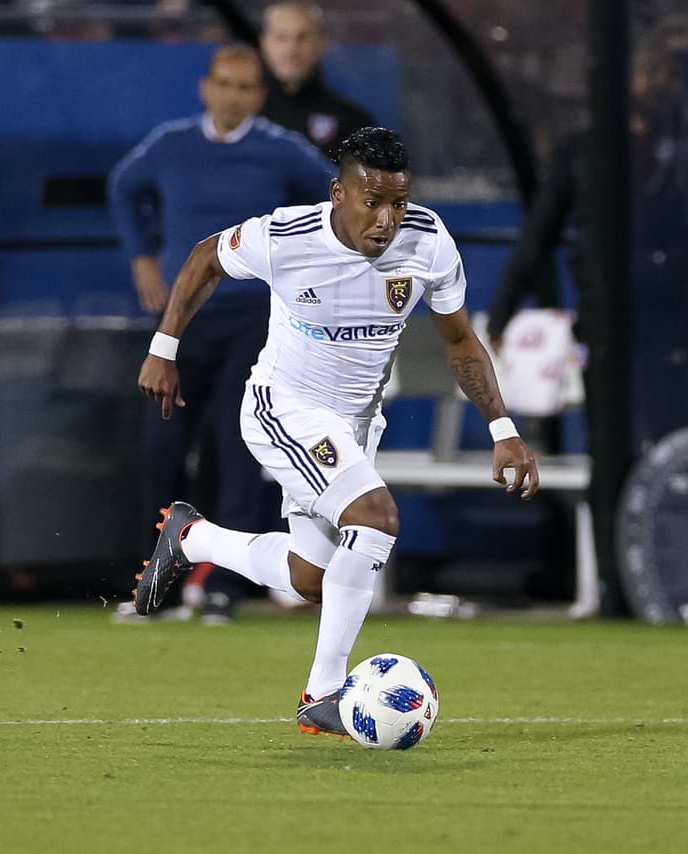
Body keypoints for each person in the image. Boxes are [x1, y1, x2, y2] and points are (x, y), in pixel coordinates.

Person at [133, 127, 539, 737]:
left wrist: (502, 428)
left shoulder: (427, 244)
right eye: (371, 201)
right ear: (338, 193)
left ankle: (192, 539)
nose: (386, 219)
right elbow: (204, 258)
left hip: (353, 425)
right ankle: (321, 694)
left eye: (398, 203)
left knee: (310, 579)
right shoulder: (287, 236)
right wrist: (165, 348)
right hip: (284, 407)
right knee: (375, 518)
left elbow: (459, 341)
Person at [485, 17, 688, 616]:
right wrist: (503, 311)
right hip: (603, 324)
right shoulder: (583, 151)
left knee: (667, 443)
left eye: (669, 74)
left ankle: (671, 579)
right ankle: (613, 582)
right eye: (649, 73)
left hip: (669, 314)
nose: (656, 85)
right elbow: (539, 233)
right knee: (606, 447)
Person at [109, 43, 334, 622]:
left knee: (236, 450)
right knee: (160, 447)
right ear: (205, 87)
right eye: (224, 84)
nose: (233, 95)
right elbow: (122, 187)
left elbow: (334, 205)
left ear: (259, 97)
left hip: (252, 322)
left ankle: (223, 591)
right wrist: (142, 260)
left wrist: (301, 275)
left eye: (245, 87)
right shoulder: (171, 144)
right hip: (185, 320)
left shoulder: (282, 153)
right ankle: (152, 588)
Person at [258, 2, 375, 157]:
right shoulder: (242, 114)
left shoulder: (353, 123)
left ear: (321, 44)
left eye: (302, 37)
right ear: (264, 43)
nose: (291, 49)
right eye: (281, 37)